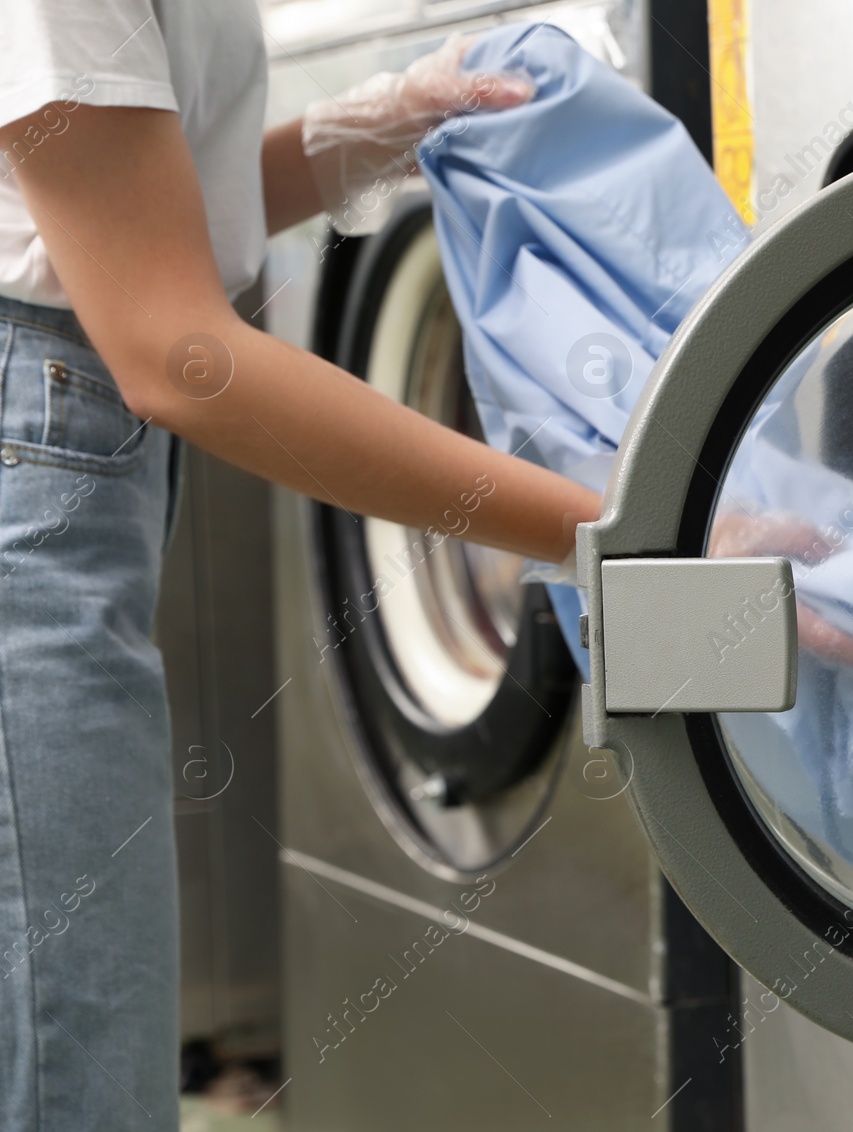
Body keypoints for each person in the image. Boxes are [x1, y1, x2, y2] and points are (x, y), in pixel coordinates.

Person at [0, 3, 599, 1127]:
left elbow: (147, 203)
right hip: (41, 440)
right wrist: (609, 522)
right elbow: (182, 357)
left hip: (68, 433)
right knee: (68, 1058)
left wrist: (386, 122)